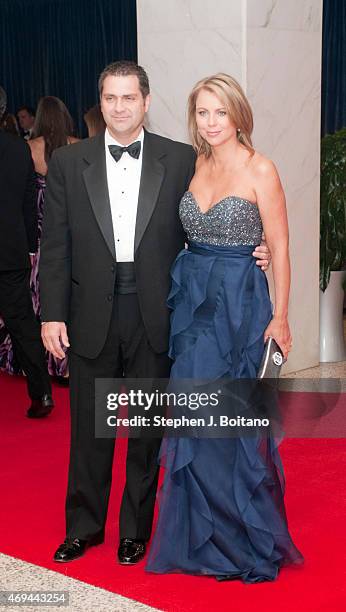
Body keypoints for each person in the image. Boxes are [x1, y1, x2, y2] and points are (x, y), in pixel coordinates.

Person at [39, 61, 270, 566]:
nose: (119, 107)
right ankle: (84, 526)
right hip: (87, 314)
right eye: (109, 98)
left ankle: (135, 531)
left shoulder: (182, 158)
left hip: (160, 310)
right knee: (90, 428)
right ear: (99, 104)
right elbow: (55, 245)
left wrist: (256, 248)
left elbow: (210, 218)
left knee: (145, 428)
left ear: (146, 102)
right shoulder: (67, 163)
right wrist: (50, 314)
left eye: (128, 98)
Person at [146, 73, 303, 582]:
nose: (211, 123)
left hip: (241, 307)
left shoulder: (262, 169)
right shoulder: (196, 163)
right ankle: (200, 536)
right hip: (193, 307)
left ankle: (242, 537)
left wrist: (280, 316)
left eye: (220, 112)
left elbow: (279, 247)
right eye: (202, 113)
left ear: (238, 115)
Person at [0, 86, 53, 418]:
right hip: (11, 250)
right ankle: (42, 394)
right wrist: (31, 246)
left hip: (12, 250)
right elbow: (28, 202)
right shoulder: (19, 149)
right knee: (22, 324)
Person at [27, 96, 79, 382]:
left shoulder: (30, 148)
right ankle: (67, 365)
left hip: (39, 232)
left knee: (41, 300)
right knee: (70, 298)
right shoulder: (78, 145)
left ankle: (46, 363)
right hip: (72, 229)